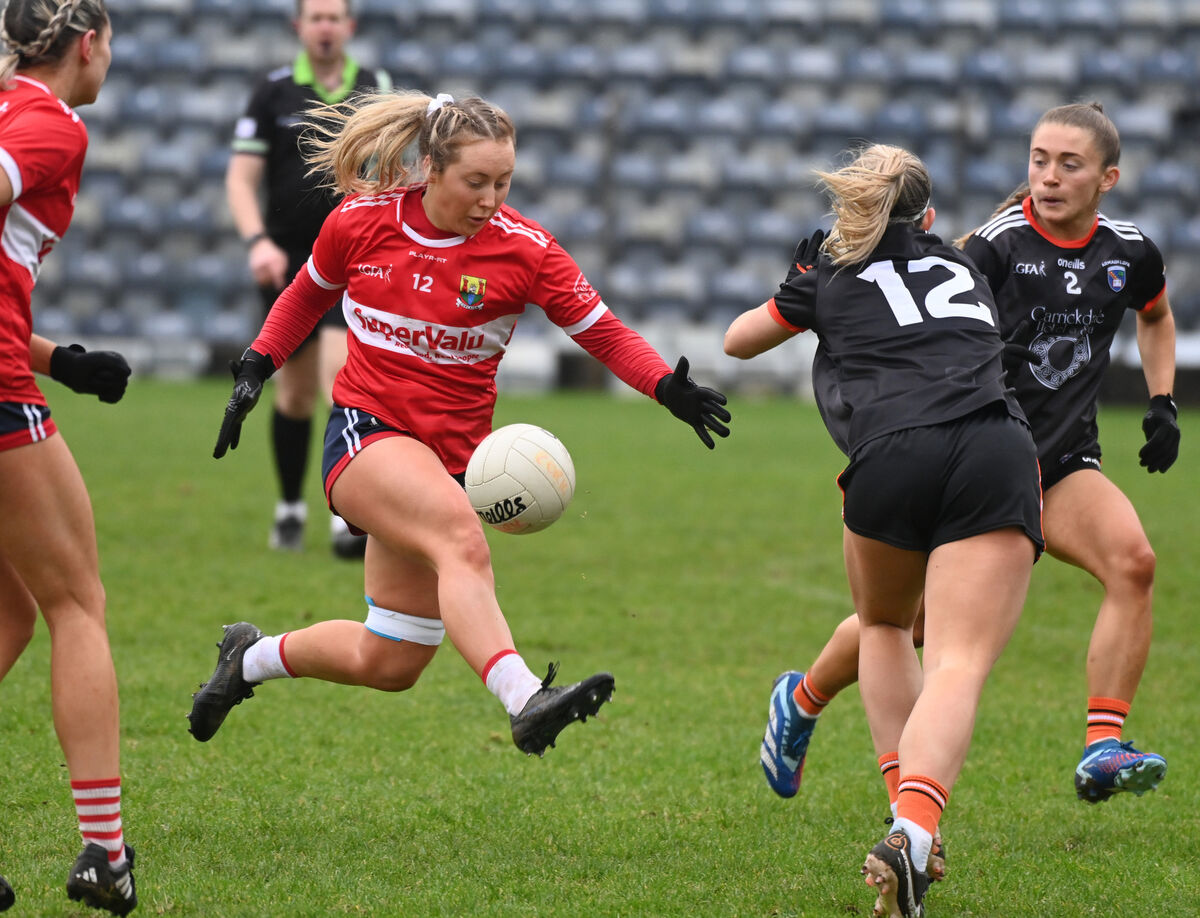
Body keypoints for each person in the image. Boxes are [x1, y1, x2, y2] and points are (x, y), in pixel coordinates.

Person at [188, 91, 730, 766]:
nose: (490, 198)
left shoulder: (526, 250)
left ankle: (250, 659)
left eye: (503, 182)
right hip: (366, 434)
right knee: (460, 541)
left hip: (449, 462)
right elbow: (307, 292)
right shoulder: (360, 221)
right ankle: (526, 698)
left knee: (391, 656)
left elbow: (603, 331)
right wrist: (257, 365)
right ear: (432, 169)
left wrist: (664, 385)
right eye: (476, 182)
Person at [759, 103, 1176, 819]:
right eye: (1038, 159)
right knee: (903, 626)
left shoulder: (1131, 251)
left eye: (1068, 164)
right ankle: (802, 698)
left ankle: (1102, 744)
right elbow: (915, 292)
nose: (1047, 176)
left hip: (1063, 463)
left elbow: (1157, 315)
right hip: (979, 454)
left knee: (1134, 562)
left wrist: (1162, 399)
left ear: (1109, 177)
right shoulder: (994, 245)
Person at [725, 144, 1042, 918]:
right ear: (929, 218)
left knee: (886, 628)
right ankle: (914, 828)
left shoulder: (827, 278)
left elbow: (738, 342)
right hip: (992, 447)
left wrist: (800, 289)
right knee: (959, 661)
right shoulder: (964, 266)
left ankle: (901, 811)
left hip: (890, 455)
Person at [0, 1, 137, 913]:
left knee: (8, 611)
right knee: (76, 604)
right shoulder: (48, 122)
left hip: (14, 362)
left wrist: (62, 359)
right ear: (87, 43)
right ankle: (104, 853)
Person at [226, 0, 392, 558]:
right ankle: (290, 507)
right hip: (288, 257)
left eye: (334, 17)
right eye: (315, 17)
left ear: (351, 26)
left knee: (339, 377)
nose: (325, 27)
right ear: (299, 27)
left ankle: (349, 518)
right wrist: (258, 243)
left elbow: (395, 173)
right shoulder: (271, 90)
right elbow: (241, 179)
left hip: (353, 257)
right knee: (293, 395)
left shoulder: (375, 87)